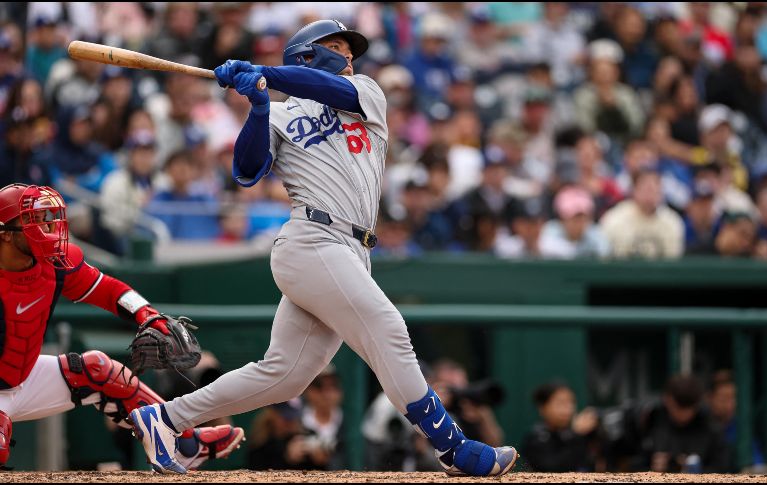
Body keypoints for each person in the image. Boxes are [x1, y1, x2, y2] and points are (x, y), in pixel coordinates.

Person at [129, 19, 517, 476]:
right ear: (307, 54)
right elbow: (247, 171)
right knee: (388, 328)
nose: (349, 57)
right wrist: (257, 109)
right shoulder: (279, 114)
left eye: (351, 50)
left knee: (287, 373)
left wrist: (265, 75)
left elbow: (319, 85)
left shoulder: (366, 93)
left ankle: (166, 418)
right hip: (312, 239)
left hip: (352, 250)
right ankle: (453, 447)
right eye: (337, 47)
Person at [0, 183, 244, 470]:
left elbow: (108, 290)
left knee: (99, 370)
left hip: (25, 377)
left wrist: (147, 314)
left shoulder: (56, 262)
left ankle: (185, 444)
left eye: (45, 219)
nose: (46, 229)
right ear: (4, 233)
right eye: (33, 221)